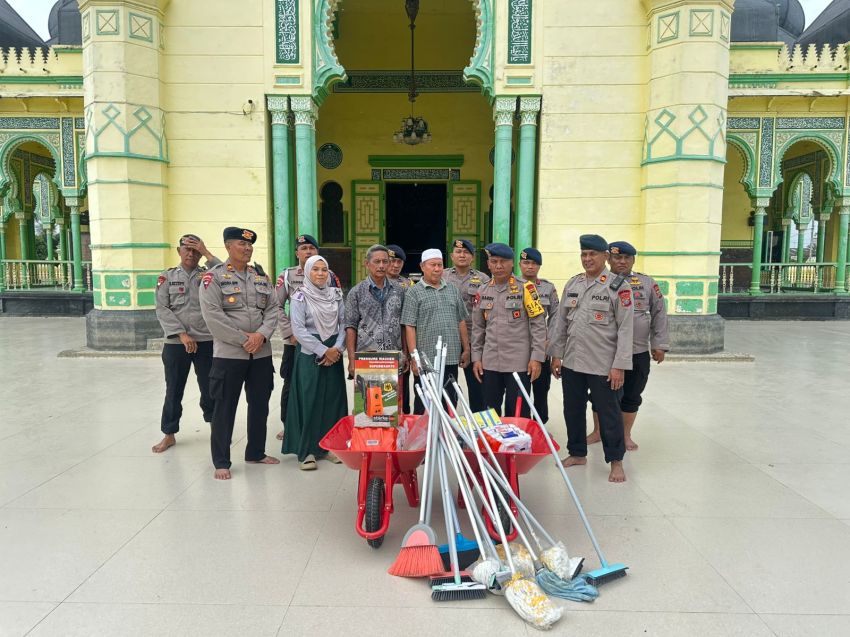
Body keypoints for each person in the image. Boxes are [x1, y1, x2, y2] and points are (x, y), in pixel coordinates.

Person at [548, 234, 633, 483]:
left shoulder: (619, 287)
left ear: (605, 257)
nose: (587, 259)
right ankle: (577, 452)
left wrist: (619, 366)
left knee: (609, 413)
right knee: (572, 409)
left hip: (603, 364)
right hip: (573, 361)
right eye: (584, 254)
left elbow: (626, 329)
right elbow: (561, 323)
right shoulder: (573, 284)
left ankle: (616, 461)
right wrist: (556, 355)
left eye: (592, 254)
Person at [200, 227, 280, 480]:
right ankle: (221, 461)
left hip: (261, 353)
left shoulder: (260, 277)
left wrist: (261, 336)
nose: (246, 249)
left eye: (249, 246)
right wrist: (244, 339)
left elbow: (274, 309)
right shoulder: (214, 278)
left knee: (260, 405)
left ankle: (255, 452)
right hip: (229, 355)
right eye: (240, 245)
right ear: (227, 246)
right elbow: (213, 316)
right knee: (224, 407)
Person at [585, 241, 669, 450]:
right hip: (604, 351)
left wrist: (659, 343)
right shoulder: (598, 282)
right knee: (599, 394)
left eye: (627, 258)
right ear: (608, 258)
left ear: (633, 260)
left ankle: (624, 434)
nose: (622, 261)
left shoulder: (647, 283)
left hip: (636, 350)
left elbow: (660, 312)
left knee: (632, 393)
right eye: (617, 257)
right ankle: (597, 432)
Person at [152, 234, 221, 453]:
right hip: (176, 343)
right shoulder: (167, 277)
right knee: (174, 388)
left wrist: (208, 252)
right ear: (178, 251)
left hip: (206, 341)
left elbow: (226, 273)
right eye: (187, 249)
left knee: (210, 388)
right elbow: (162, 308)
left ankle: (216, 431)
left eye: (195, 250)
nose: (191, 254)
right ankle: (169, 434)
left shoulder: (209, 275)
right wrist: (182, 334)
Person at [282, 255, 347, 470]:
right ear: (308, 272)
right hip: (311, 353)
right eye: (315, 269)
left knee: (332, 400)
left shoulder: (336, 295)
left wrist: (336, 349)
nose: (320, 273)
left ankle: (330, 447)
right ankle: (307, 450)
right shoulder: (300, 296)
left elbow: (344, 324)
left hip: (334, 351)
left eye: (324, 269)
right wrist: (323, 351)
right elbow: (299, 330)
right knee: (310, 399)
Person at [274, 234, 340, 441]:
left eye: (312, 248)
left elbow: (340, 314)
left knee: (323, 387)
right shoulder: (287, 275)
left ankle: (324, 432)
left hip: (325, 339)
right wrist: (290, 333)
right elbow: (276, 306)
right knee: (292, 383)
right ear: (297, 253)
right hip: (295, 341)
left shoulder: (329, 275)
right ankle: (290, 426)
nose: (308, 251)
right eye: (303, 248)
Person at [471, 243, 546, 418]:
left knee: (518, 413)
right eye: (494, 261)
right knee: (490, 412)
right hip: (490, 362)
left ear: (512, 263)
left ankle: (518, 446)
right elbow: (478, 328)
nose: (498, 266)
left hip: (518, 363)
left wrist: (536, 358)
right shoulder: (482, 290)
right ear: (488, 264)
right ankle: (494, 445)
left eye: (503, 261)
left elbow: (538, 325)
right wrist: (476, 358)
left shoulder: (526, 288)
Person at [401, 248, 470, 414]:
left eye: (440, 265)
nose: (437, 268)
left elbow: (461, 320)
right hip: (426, 359)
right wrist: (414, 357)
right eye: (433, 265)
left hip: (451, 357)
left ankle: (446, 438)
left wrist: (466, 348)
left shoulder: (452, 289)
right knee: (424, 402)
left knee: (449, 400)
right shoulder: (414, 292)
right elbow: (409, 326)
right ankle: (423, 439)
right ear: (422, 267)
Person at [344, 244, 407, 378]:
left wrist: (406, 353)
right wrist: (351, 359)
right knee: (369, 398)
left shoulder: (399, 291)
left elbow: (404, 325)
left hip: (393, 357)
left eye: (385, 261)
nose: (381, 266)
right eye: (377, 261)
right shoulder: (356, 292)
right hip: (367, 357)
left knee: (396, 398)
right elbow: (350, 327)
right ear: (367, 263)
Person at [443, 239, 490, 411]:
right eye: (458, 252)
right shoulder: (442, 276)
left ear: (472, 257)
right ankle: (449, 422)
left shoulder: (483, 280)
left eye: (466, 252)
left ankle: (478, 425)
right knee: (447, 384)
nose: (462, 255)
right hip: (448, 339)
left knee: (477, 384)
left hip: (473, 339)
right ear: (451, 256)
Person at [518, 247, 559, 424]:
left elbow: (556, 316)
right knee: (520, 390)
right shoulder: (510, 286)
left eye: (534, 263)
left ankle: (540, 425)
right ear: (520, 264)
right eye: (526, 263)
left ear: (539, 266)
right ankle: (522, 424)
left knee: (541, 389)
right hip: (517, 348)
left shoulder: (548, 288)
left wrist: (549, 340)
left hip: (541, 348)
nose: (530, 267)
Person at [386, 244, 414, 412]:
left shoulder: (408, 285)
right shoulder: (374, 283)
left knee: (403, 389)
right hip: (378, 348)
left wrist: (408, 352)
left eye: (399, 262)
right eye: (392, 261)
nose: (395, 265)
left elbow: (408, 321)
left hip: (401, 344)